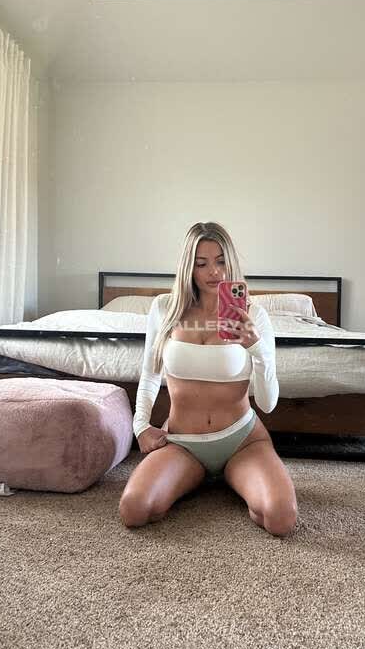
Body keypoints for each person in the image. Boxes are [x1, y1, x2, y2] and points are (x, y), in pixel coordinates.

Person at [119, 221, 298, 536]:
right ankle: (196, 475)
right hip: (183, 442)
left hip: (242, 441)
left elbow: (268, 404)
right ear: (188, 267)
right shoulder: (164, 309)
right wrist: (141, 426)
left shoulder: (254, 315)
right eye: (201, 264)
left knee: (281, 519)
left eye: (220, 261)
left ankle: (232, 475)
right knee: (134, 510)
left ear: (231, 262)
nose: (213, 272)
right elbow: (150, 373)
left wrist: (257, 349)